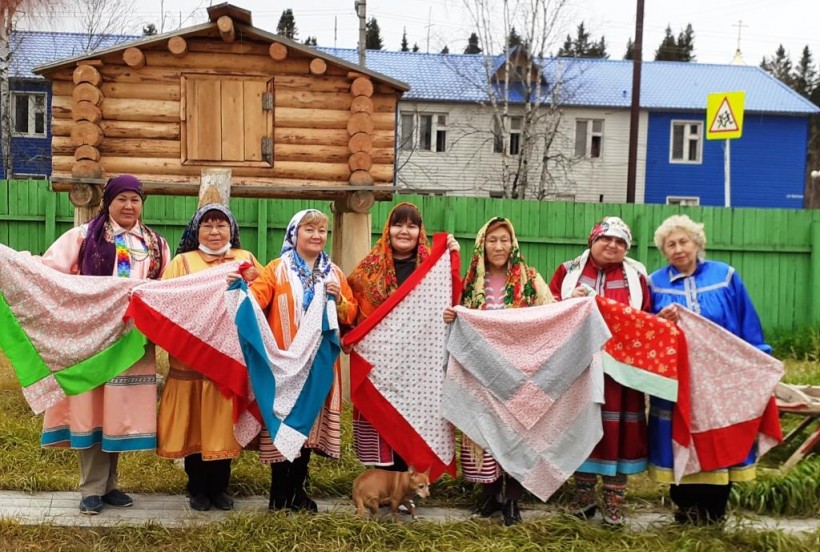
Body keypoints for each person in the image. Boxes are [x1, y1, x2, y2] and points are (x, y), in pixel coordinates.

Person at [38, 174, 170, 515]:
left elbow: (167, 288)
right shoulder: (83, 237)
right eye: (121, 199)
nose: (128, 206)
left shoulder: (155, 244)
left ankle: (110, 485)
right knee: (92, 408)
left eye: (135, 199)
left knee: (118, 410)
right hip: (92, 339)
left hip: (133, 342)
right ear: (107, 202)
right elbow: (50, 273)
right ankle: (91, 488)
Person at [649, 214, 771, 525]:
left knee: (719, 438)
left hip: (721, 379)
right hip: (678, 380)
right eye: (670, 244)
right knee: (680, 438)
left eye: (684, 242)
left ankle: (715, 513)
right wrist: (660, 321)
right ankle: (686, 510)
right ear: (663, 251)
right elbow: (645, 328)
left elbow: (746, 319)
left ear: (697, 243)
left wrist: (760, 357)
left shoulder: (725, 276)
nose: (678, 249)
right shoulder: (654, 283)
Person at [443, 216, 552, 526]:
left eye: (505, 240)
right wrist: (452, 315)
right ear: (482, 245)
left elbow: (550, 312)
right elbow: (454, 313)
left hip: (520, 372)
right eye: (492, 240)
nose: (499, 246)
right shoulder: (469, 284)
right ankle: (490, 495)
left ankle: (513, 499)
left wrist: (576, 304)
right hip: (481, 371)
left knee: (518, 435)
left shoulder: (531, 279)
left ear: (513, 243)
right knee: (484, 433)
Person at [248, 209, 358, 512]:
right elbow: (255, 302)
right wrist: (239, 289)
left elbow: (351, 314)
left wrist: (341, 300)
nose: (317, 236)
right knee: (283, 425)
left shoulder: (334, 274)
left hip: (318, 365)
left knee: (307, 428)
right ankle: (278, 494)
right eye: (309, 229)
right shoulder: (276, 269)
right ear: (294, 234)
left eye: (322, 231)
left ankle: (297, 492)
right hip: (284, 366)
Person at [156, 203, 263, 512]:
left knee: (224, 426)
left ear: (232, 230)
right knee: (194, 425)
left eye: (221, 225)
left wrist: (252, 281)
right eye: (207, 225)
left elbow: (265, 296)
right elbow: (166, 301)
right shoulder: (182, 262)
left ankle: (220, 487)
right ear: (196, 230)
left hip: (229, 362)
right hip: (191, 361)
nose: (215, 231)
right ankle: (197, 487)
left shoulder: (245, 260)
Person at [548, 216, 650, 525]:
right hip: (579, 367)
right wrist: (567, 301)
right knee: (582, 428)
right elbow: (547, 307)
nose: (613, 245)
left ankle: (614, 500)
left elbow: (645, 318)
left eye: (620, 242)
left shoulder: (637, 277)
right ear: (592, 241)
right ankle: (583, 497)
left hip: (620, 372)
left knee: (617, 433)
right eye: (606, 238)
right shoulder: (568, 272)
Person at [347, 202, 459, 472]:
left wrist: (451, 256)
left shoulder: (433, 270)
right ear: (388, 229)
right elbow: (351, 307)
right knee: (383, 433)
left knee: (413, 435)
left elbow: (455, 301)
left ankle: (410, 489)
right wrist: (349, 334)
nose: (404, 231)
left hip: (418, 371)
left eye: (412, 225)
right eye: (398, 224)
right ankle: (384, 487)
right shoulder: (367, 272)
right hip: (380, 369)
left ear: (420, 231)